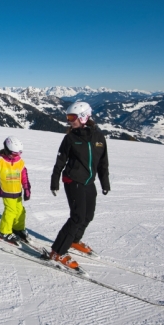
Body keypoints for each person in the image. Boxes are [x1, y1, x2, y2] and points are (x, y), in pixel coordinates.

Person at [48, 101, 110, 270]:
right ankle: (57, 251)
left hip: (89, 181)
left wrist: (105, 182)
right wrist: (54, 182)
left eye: (72, 117)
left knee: (88, 215)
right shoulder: (70, 138)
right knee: (77, 217)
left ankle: (74, 240)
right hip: (73, 180)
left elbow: (103, 162)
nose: (69, 121)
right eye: (68, 117)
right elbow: (60, 161)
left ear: (84, 117)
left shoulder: (99, 137)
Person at [0, 136, 31, 246]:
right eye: (14, 153)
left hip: (17, 192)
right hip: (7, 191)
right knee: (10, 211)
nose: (16, 156)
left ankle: (18, 228)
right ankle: (4, 231)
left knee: (20, 211)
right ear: (6, 150)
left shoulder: (20, 162)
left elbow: (24, 176)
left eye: (19, 153)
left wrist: (26, 188)